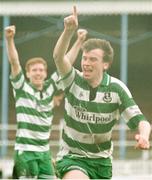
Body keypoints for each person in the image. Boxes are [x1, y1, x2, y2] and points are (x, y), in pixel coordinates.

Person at [53, 6, 151, 179]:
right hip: (73, 158)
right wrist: (68, 31)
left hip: (102, 163)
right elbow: (58, 57)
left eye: (93, 59)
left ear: (105, 64)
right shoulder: (72, 80)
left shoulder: (116, 89)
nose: (86, 63)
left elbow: (142, 121)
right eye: (84, 58)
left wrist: (144, 136)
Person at [5, 25, 64, 179]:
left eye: (41, 70)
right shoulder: (21, 88)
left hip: (44, 152)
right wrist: (9, 39)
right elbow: (14, 62)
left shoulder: (50, 88)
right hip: (25, 152)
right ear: (28, 73)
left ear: (45, 73)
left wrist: (77, 39)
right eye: (34, 70)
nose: (38, 72)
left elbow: (66, 61)